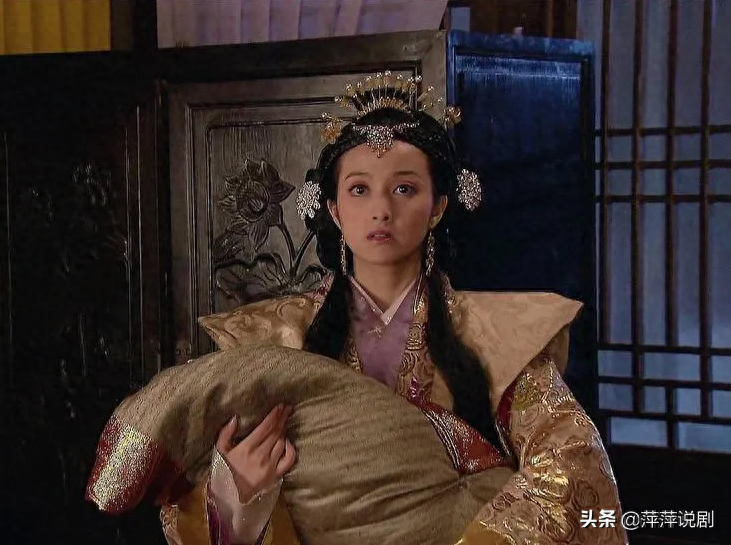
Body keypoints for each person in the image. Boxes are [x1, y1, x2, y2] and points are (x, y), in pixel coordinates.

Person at [159, 72, 627, 545]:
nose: (381, 209)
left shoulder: (496, 335)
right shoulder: (275, 336)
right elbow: (189, 487)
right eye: (359, 189)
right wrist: (236, 491)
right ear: (334, 209)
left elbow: (572, 462)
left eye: (404, 189)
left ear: (438, 207)